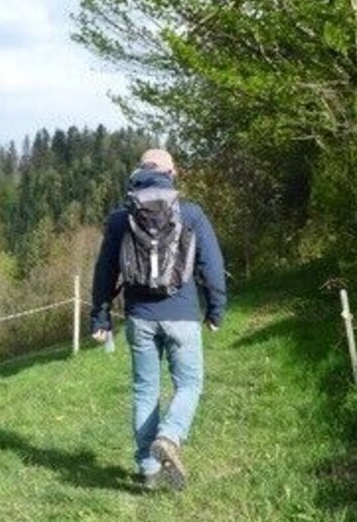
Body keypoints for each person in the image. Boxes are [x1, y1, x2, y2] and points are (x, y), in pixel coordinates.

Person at [90, 149, 227, 491]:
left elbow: (105, 270)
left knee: (145, 390)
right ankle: (170, 436)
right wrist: (215, 309)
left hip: (139, 317)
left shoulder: (121, 218)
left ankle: (147, 469)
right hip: (182, 314)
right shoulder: (191, 213)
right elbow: (211, 265)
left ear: (139, 171)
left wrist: (100, 316)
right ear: (172, 174)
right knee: (190, 384)